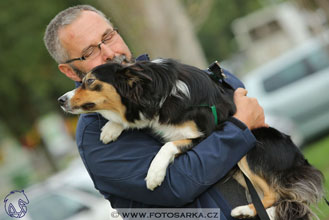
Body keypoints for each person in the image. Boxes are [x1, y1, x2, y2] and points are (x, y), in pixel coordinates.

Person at [44, 5, 267, 220]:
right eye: (89, 51)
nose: (110, 53)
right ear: (69, 71)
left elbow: (234, 99)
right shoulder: (95, 137)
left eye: (108, 36)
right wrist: (239, 128)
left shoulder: (161, 79)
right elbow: (175, 184)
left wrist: (232, 96)